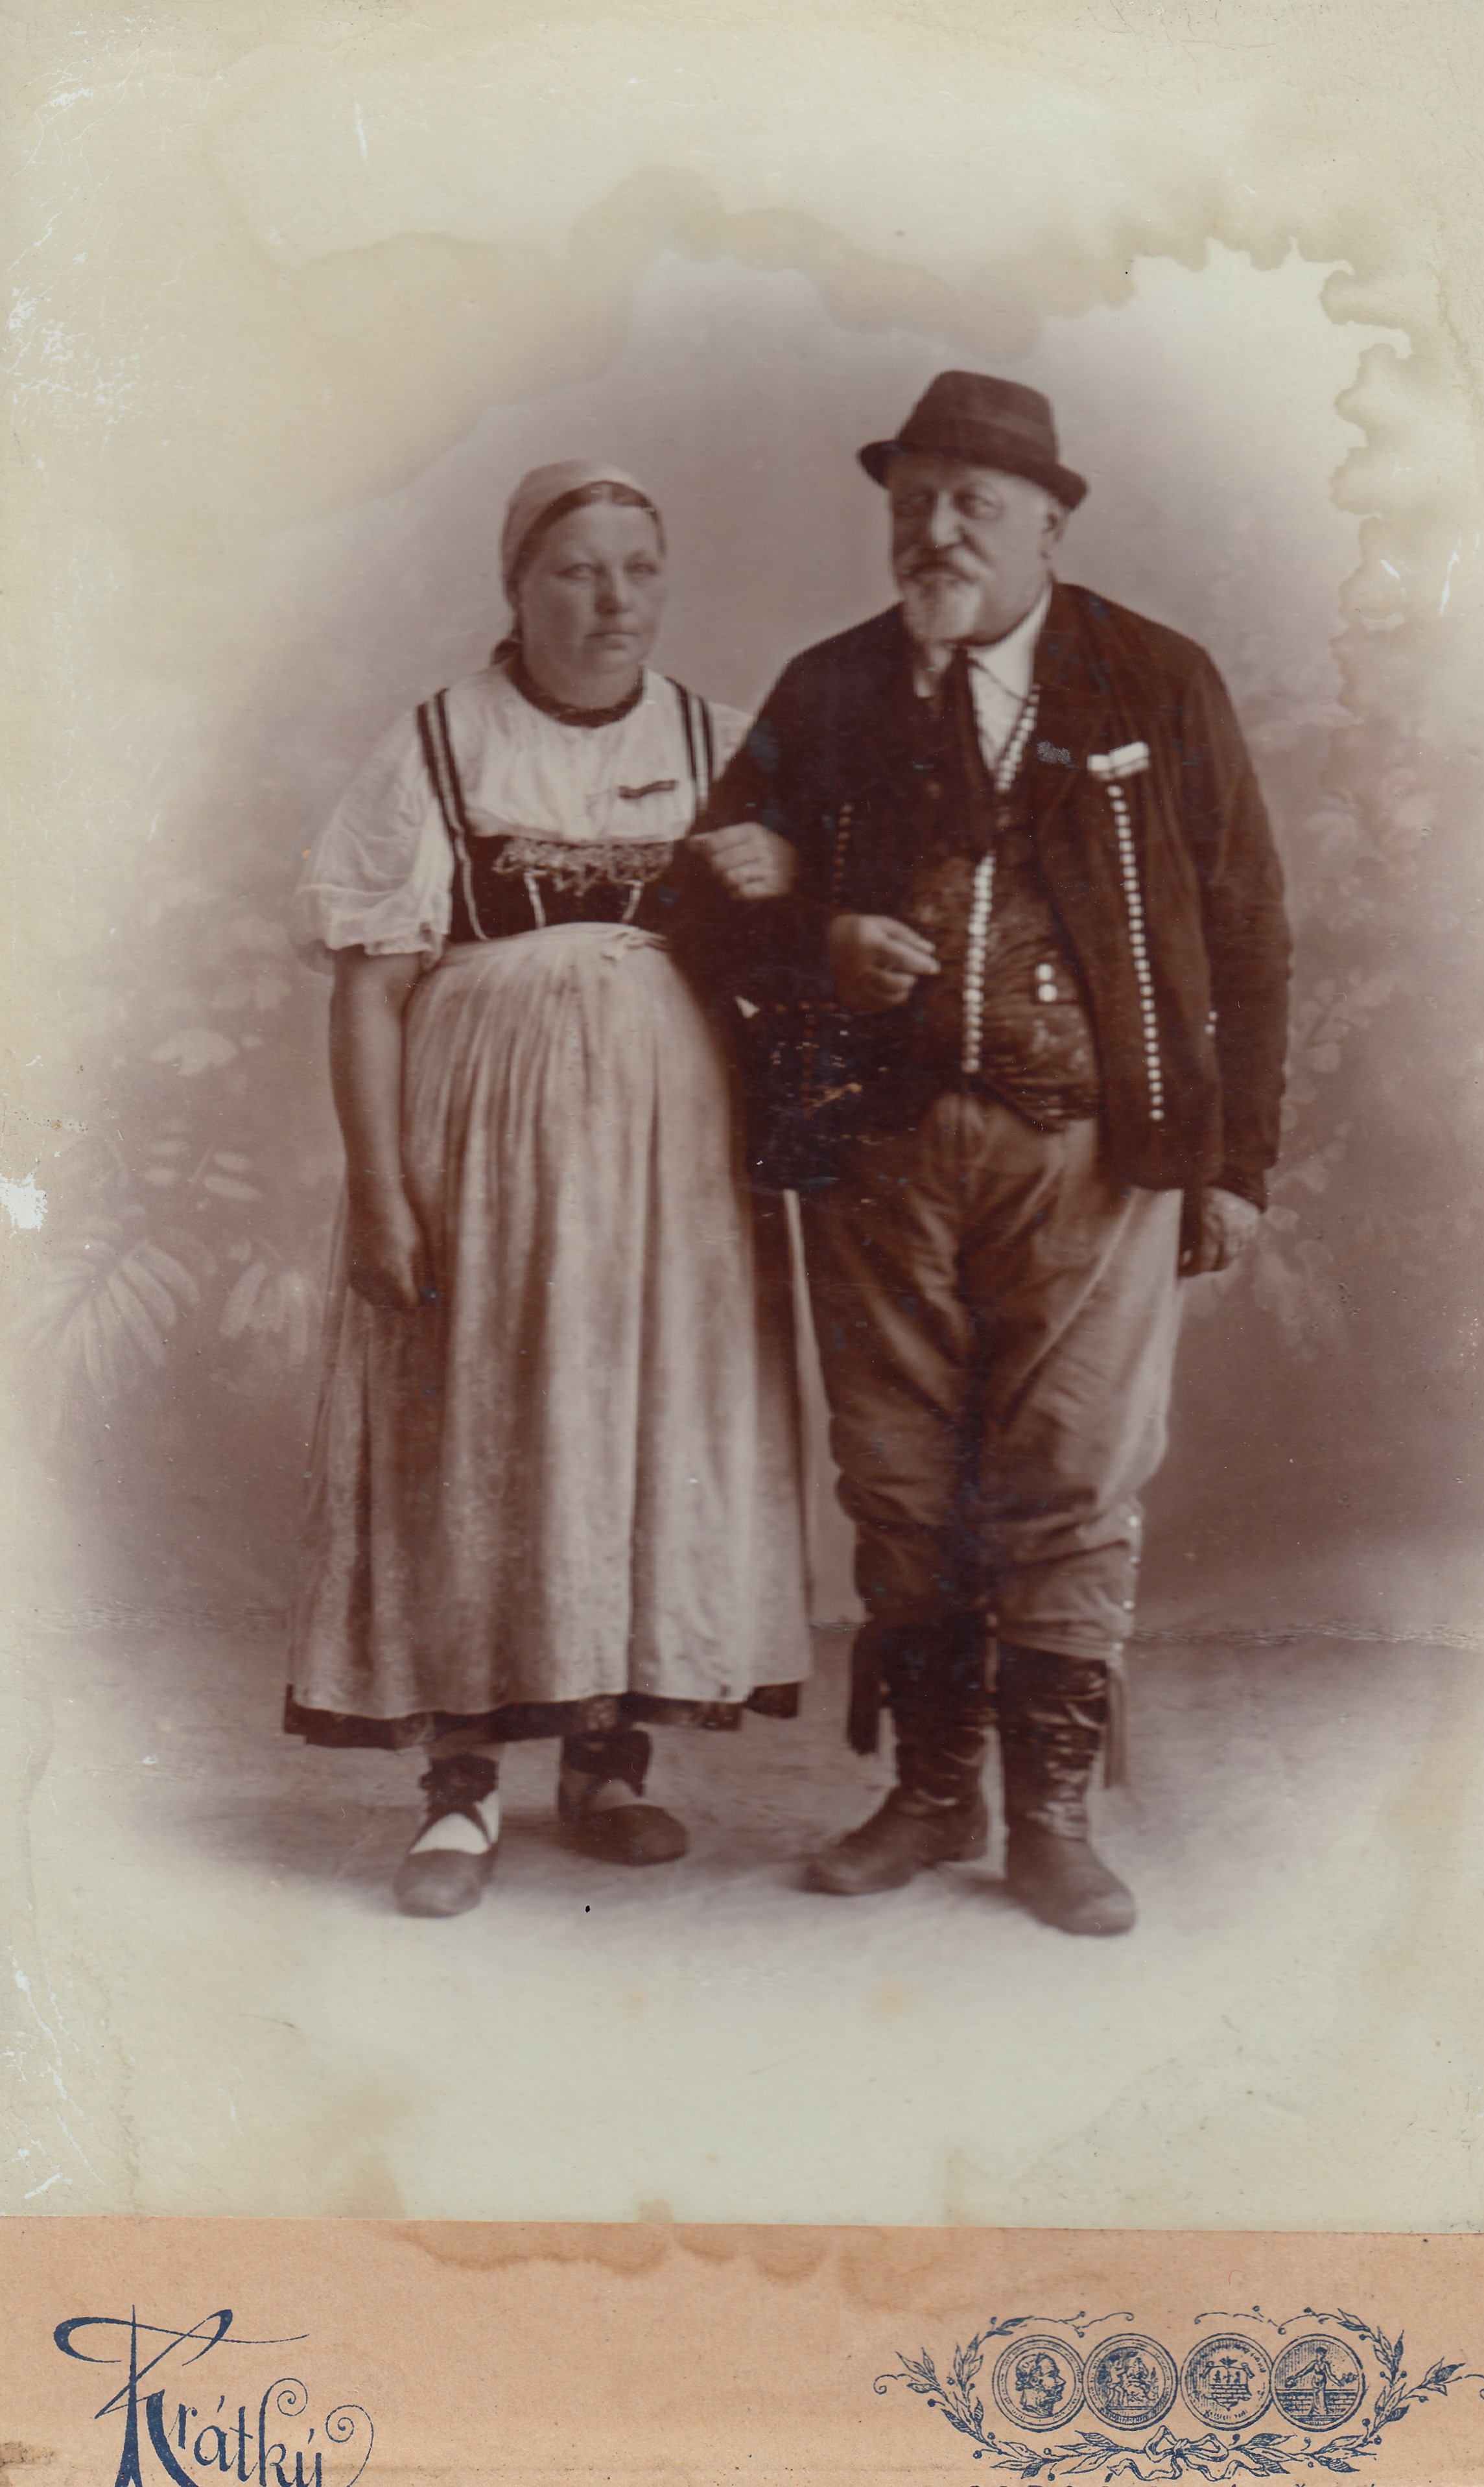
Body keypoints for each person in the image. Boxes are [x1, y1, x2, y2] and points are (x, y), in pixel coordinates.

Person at [701, 371, 1291, 1937]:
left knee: (1073, 1475)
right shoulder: (830, 685)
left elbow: (1248, 930)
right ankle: (929, 1793)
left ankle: (1053, 1820)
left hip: (1094, 1157)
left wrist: (1237, 1163)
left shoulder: (1153, 678)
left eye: (973, 503)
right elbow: (708, 900)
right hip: (877, 1156)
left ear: (1049, 523)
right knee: (898, 1481)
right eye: (913, 506)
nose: (937, 531)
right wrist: (822, 941)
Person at [285, 458, 810, 1917]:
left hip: (672, 1172)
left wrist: (788, 881)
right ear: (517, 587)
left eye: (639, 569)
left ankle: (607, 1765)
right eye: (577, 570)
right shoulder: (438, 743)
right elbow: (369, 989)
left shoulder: (723, 742)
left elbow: (801, 948)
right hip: (483, 1158)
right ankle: (461, 1788)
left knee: (638, 1426)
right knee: (482, 1426)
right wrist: (382, 1192)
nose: (612, 601)